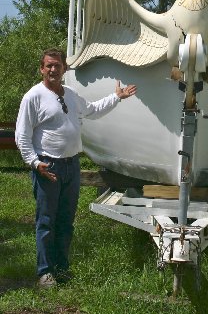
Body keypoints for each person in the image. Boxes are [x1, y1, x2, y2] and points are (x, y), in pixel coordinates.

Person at [15, 48, 137, 288]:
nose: (52, 70)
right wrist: (34, 162)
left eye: (57, 65)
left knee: (66, 221)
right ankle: (45, 272)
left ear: (64, 69)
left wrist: (117, 97)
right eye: (48, 66)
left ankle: (61, 268)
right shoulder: (33, 97)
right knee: (46, 221)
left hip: (72, 166)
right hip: (47, 166)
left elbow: (91, 110)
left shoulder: (70, 94)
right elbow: (22, 135)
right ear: (42, 69)